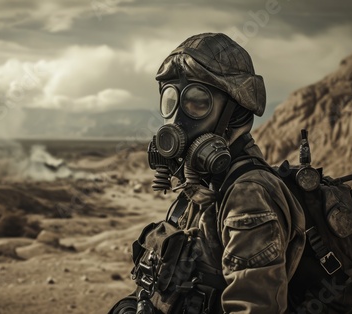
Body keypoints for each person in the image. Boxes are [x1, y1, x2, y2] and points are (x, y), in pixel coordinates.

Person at [109, 33, 306, 313]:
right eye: (171, 101)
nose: (176, 121)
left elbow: (252, 307)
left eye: (198, 102)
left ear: (235, 112)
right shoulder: (206, 185)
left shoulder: (247, 195)